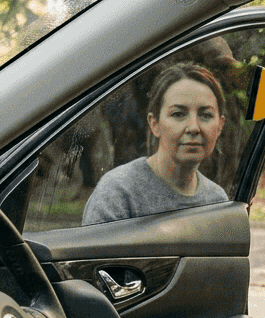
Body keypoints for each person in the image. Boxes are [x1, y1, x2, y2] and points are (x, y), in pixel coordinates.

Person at [83, 63, 229, 224]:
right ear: (155, 124)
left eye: (206, 115)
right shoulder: (118, 193)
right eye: (178, 114)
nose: (194, 127)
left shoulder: (217, 200)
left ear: (220, 126)